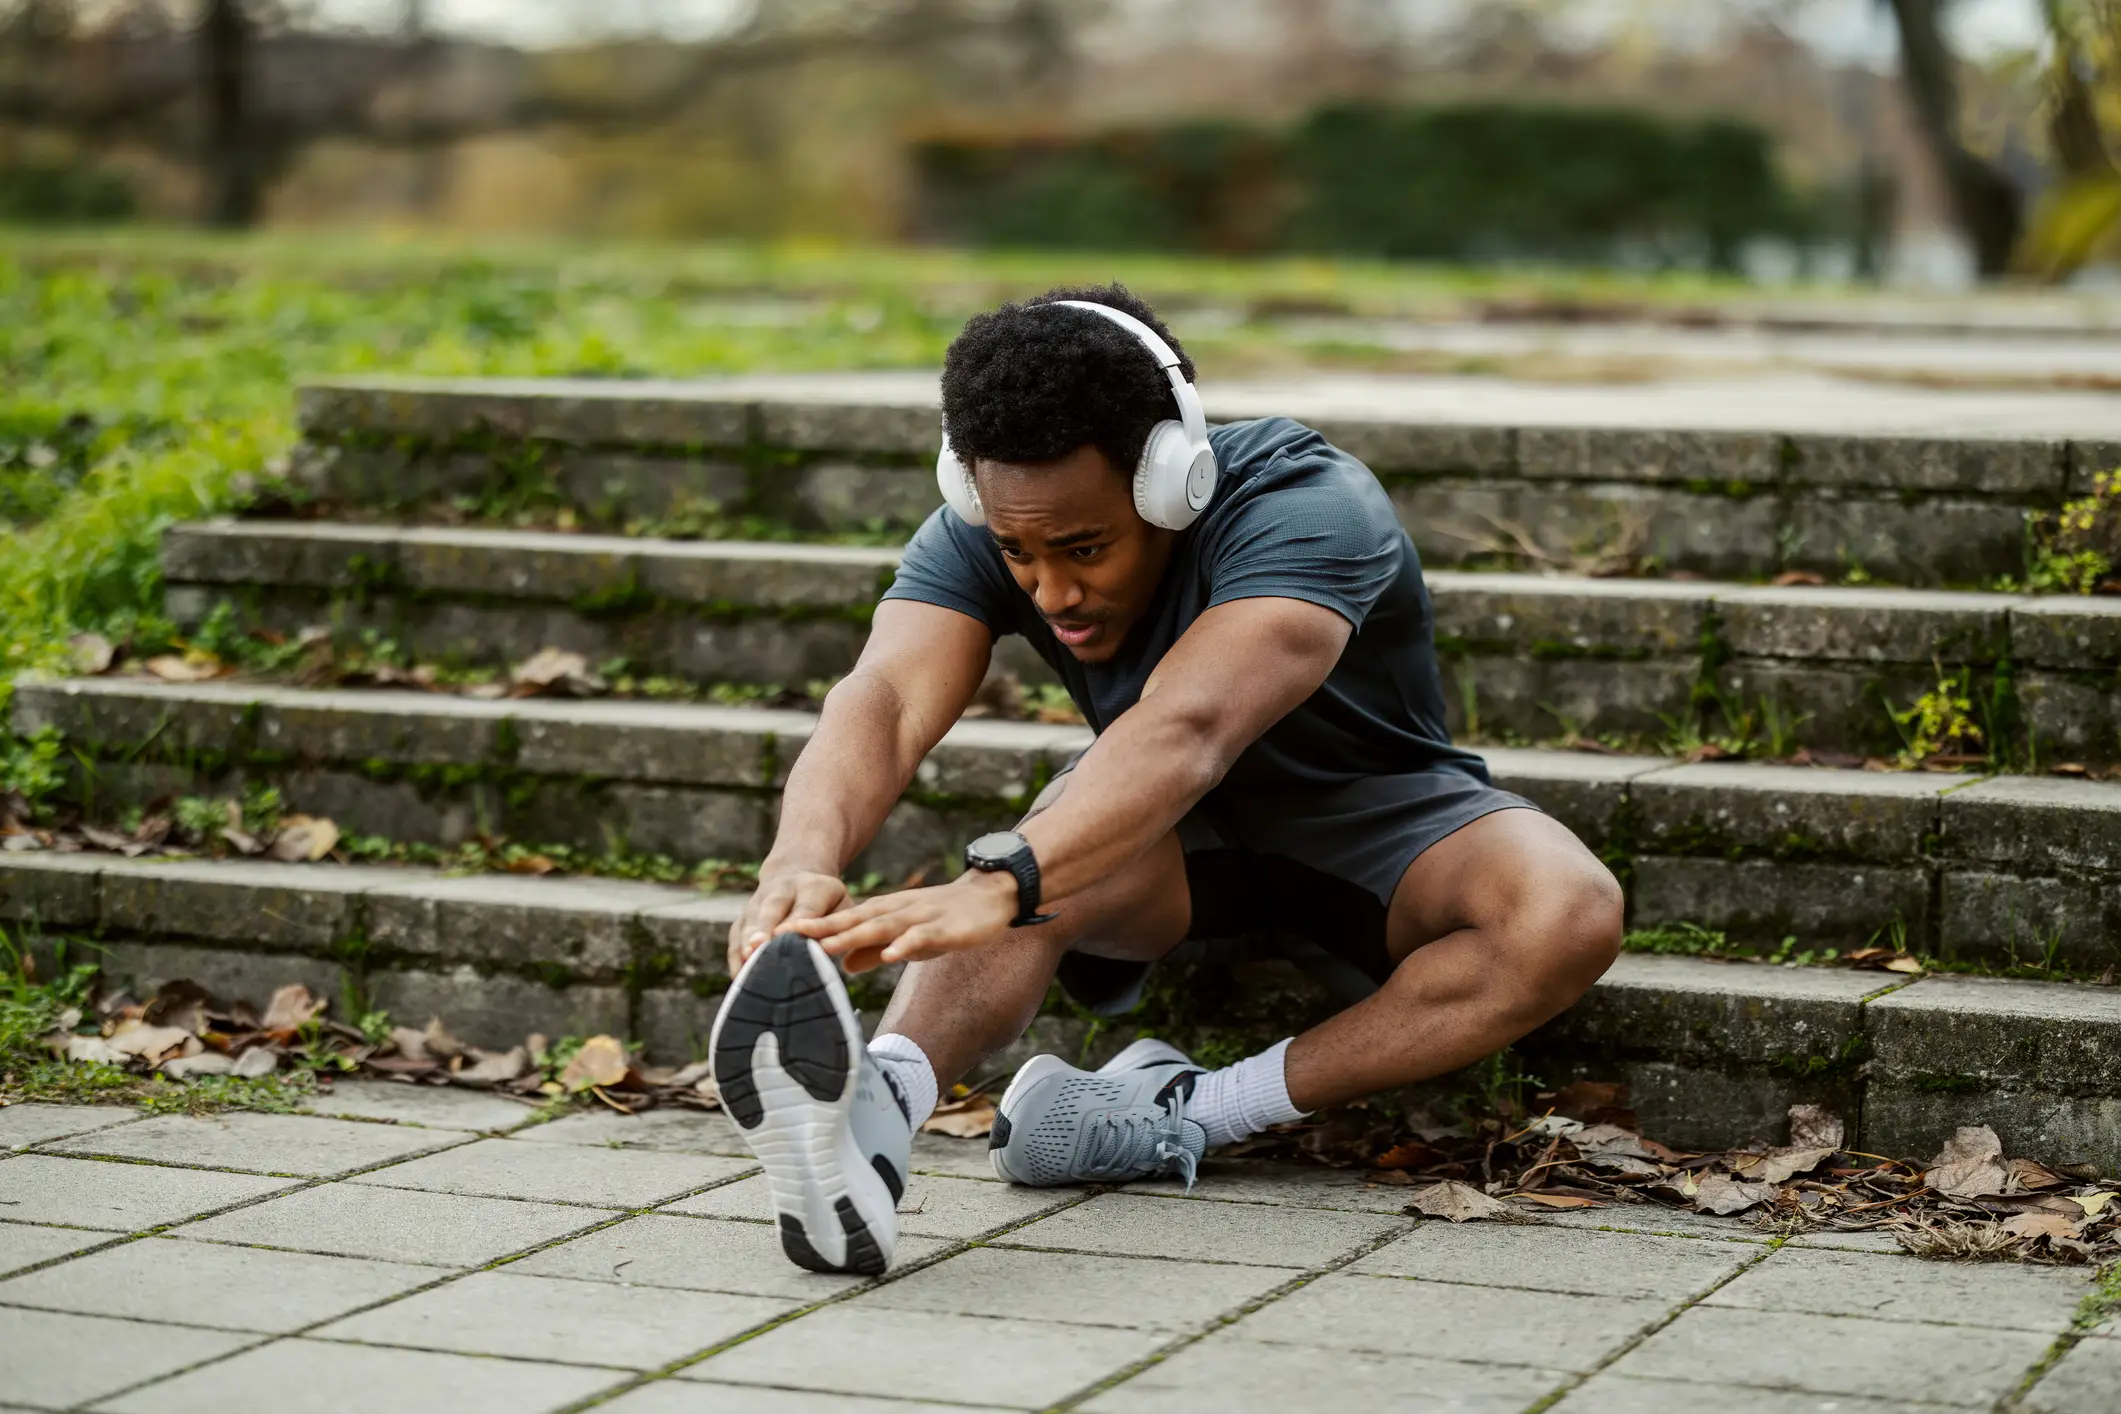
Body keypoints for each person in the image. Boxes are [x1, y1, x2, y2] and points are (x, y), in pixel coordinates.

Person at [706, 285, 1624, 1276]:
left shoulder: (1310, 504)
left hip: (1385, 821)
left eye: (1084, 549)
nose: (1053, 591)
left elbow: (1190, 728)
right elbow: (884, 697)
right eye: (1018, 552)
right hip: (1169, 844)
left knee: (1564, 912)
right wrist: (799, 861)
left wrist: (1008, 880)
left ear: (1169, 482)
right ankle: (874, 1114)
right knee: (1044, 837)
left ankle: (1185, 1110)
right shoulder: (994, 527)